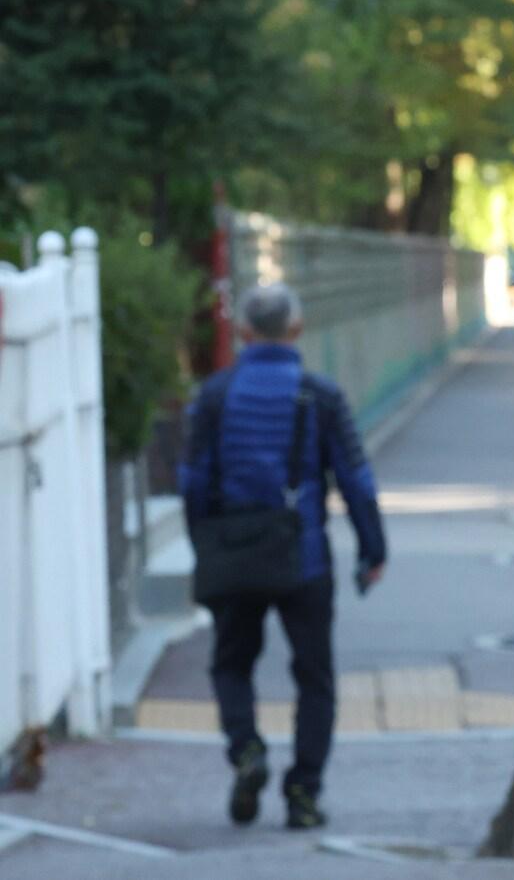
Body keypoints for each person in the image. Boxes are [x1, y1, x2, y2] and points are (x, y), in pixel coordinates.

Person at [179, 283, 386, 829]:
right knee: (315, 677)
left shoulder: (215, 395)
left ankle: (247, 750)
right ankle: (303, 794)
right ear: (297, 330)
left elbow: (193, 480)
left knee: (231, 663)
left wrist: (202, 544)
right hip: (304, 558)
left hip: (234, 556)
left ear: (244, 332)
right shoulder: (319, 396)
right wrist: (373, 548)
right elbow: (355, 479)